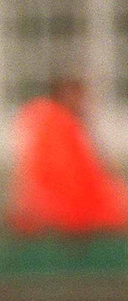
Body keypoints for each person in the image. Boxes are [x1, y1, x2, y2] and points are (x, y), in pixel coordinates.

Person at [8, 78, 128, 236]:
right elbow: (66, 176)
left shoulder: (64, 125)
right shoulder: (54, 124)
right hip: (63, 217)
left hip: (65, 215)